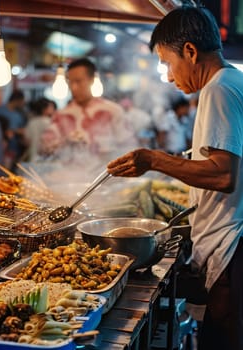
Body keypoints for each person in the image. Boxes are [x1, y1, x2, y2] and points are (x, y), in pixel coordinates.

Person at [107, 6, 243, 350]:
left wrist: (154, 159)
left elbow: (224, 175)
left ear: (191, 52)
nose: (168, 76)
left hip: (232, 248)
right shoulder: (233, 81)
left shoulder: (218, 89)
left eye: (167, 63)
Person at [40, 58, 138, 164]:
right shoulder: (61, 115)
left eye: (78, 81)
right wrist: (64, 142)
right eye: (70, 82)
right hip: (69, 177)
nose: (73, 87)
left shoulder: (113, 111)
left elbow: (129, 147)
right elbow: (43, 150)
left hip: (108, 177)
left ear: (91, 80)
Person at [0, 90, 28, 170]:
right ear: (18, 100)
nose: (23, 104)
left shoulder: (19, 114)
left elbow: (22, 130)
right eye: (22, 101)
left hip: (13, 150)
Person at [25, 97, 56, 162]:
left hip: (33, 157)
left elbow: (27, 141)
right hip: (49, 159)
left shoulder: (32, 122)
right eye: (50, 107)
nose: (53, 109)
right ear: (44, 109)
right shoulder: (51, 122)